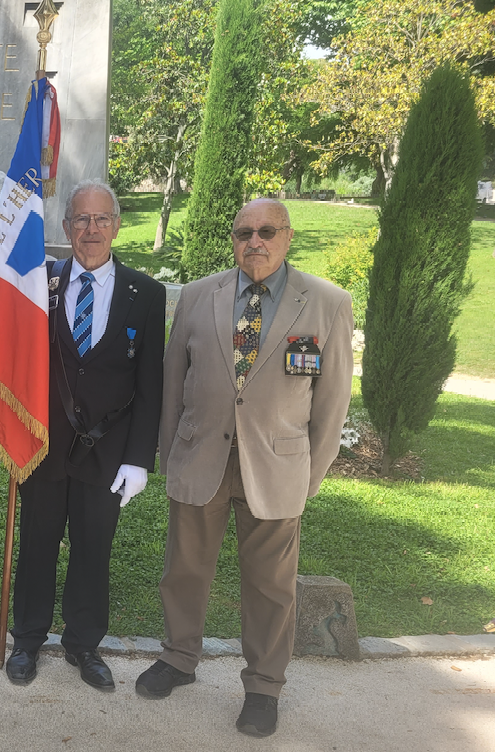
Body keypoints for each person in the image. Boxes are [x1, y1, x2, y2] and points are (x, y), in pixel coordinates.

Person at [137, 198, 353, 737]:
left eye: (266, 231)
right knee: (184, 571)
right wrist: (171, 455)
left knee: (271, 587)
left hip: (277, 470)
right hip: (200, 458)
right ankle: (179, 658)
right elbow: (171, 385)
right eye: (244, 232)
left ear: (287, 236)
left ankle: (262, 686)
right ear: (233, 239)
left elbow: (332, 403)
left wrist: (310, 475)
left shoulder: (326, 303)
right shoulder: (195, 296)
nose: (254, 241)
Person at [4, 179, 166, 690]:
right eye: (81, 220)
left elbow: (151, 385)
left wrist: (139, 459)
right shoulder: (39, 285)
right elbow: (15, 364)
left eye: (101, 220)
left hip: (109, 453)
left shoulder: (147, 293)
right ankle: (27, 641)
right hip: (45, 448)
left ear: (117, 225)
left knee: (94, 551)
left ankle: (83, 644)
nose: (91, 230)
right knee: (36, 547)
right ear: (66, 226)